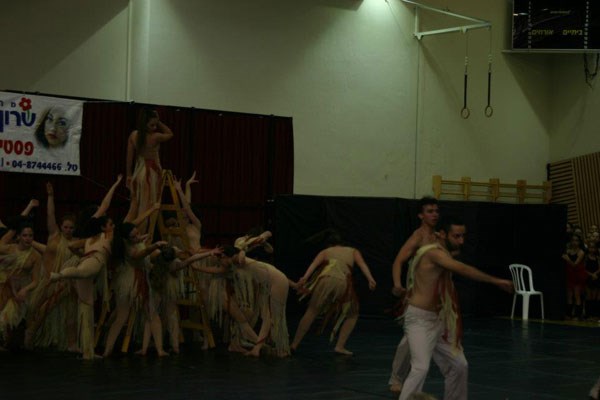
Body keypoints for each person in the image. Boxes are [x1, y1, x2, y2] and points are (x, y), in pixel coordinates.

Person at [398, 216, 513, 400]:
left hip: (440, 320)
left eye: (463, 236)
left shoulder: (444, 252)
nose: (461, 241)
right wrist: (496, 281)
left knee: (459, 365)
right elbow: (462, 269)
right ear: (443, 234)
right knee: (420, 368)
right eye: (456, 236)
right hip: (419, 319)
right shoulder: (433, 253)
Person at [50, 175, 122, 359]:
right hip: (88, 263)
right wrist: (115, 184)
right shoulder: (98, 228)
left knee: (86, 306)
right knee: (85, 299)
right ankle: (86, 348)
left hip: (84, 260)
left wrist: (81, 255)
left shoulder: (88, 234)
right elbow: (105, 204)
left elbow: (73, 246)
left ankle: (87, 350)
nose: (102, 213)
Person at [290, 229, 377, 356]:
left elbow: (313, 265)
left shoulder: (325, 251)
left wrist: (304, 278)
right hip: (342, 282)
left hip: (324, 281)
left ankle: (294, 344)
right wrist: (370, 279)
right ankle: (339, 346)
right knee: (352, 314)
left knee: (312, 311)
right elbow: (362, 264)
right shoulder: (353, 251)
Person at [389, 196, 440, 393]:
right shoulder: (418, 236)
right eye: (429, 211)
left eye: (436, 211)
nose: (434, 214)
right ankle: (397, 377)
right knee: (408, 340)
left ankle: (413, 379)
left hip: (435, 296)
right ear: (420, 215)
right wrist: (397, 284)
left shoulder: (439, 237)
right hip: (417, 294)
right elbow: (398, 261)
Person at [126, 108, 173, 233]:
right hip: (150, 174)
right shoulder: (155, 136)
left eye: (155, 125)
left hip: (138, 172)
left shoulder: (133, 135)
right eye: (152, 125)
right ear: (144, 124)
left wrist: (129, 175)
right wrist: (159, 122)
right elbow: (170, 133)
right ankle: (142, 235)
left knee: (136, 206)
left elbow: (129, 157)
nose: (154, 127)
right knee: (147, 207)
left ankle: (132, 233)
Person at [0, 223, 43, 349]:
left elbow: (35, 281)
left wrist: (25, 289)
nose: (28, 238)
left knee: (9, 319)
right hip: (4, 286)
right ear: (18, 236)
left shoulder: (35, 256)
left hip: (20, 289)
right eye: (24, 235)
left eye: (30, 235)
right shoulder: (10, 249)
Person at [562, 234, 586, 320]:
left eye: (576, 240)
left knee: (577, 295)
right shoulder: (568, 251)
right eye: (573, 240)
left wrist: (567, 259)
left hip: (577, 275)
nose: (574, 242)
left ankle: (577, 315)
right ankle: (568, 314)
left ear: (579, 242)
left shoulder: (581, 252)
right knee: (569, 295)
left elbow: (575, 265)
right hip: (569, 274)